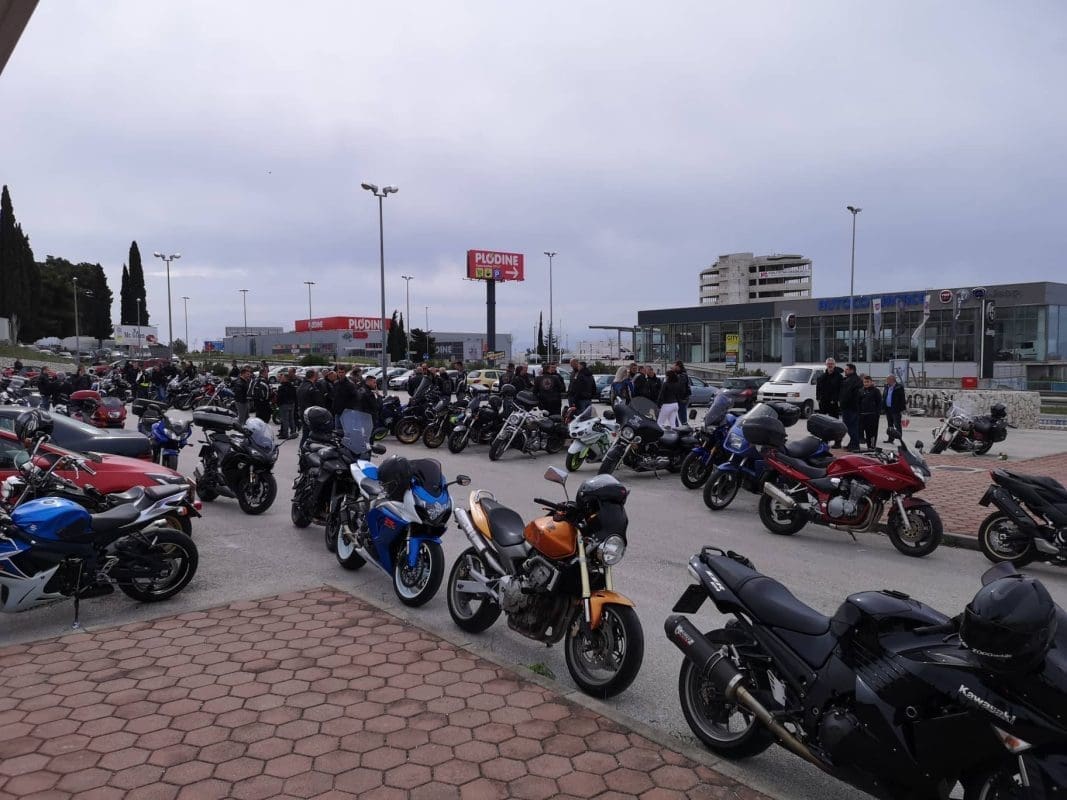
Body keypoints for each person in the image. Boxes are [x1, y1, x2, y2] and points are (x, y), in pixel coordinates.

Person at [838, 363, 863, 452]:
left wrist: (843, 402)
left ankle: (855, 445)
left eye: (847, 369)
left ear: (852, 370)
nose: (845, 370)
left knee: (851, 427)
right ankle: (852, 443)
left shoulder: (854, 380)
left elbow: (849, 394)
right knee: (850, 427)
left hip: (851, 408)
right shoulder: (849, 379)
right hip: (849, 407)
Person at [297, 369, 324, 443]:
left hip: (302, 411)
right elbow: (318, 402)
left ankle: (302, 447)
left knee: (305, 431)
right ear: (314, 376)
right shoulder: (312, 388)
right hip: (311, 413)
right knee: (311, 433)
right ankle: (304, 447)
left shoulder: (301, 386)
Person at [858, 374, 882, 450]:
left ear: (871, 382)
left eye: (867, 382)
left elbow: (879, 403)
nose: (866, 383)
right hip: (862, 415)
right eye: (864, 382)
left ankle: (872, 446)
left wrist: (877, 414)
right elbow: (858, 403)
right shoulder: (860, 390)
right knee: (865, 432)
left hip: (872, 415)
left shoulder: (876, 391)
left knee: (872, 433)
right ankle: (867, 446)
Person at [882, 374, 906, 440]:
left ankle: (900, 439)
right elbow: (884, 396)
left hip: (896, 409)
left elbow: (902, 398)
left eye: (887, 379)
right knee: (890, 424)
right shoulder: (886, 386)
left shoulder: (899, 387)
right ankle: (890, 438)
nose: (886, 381)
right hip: (888, 408)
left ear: (892, 380)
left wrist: (902, 408)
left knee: (897, 424)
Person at [276, 372, 297, 439]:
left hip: (284, 404)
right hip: (292, 404)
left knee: (285, 420)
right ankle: (293, 432)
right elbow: (295, 396)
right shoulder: (292, 386)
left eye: (282, 377)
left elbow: (279, 397)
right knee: (291, 419)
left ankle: (285, 434)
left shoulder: (282, 387)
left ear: (286, 378)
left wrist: (278, 404)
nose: (281, 379)